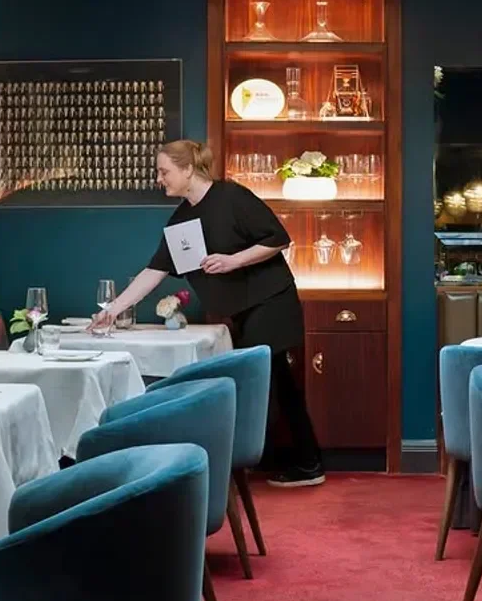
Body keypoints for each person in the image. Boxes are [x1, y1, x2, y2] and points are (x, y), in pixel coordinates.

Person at [92, 139, 325, 487]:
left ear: (188, 170)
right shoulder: (181, 220)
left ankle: (299, 464)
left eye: (164, 171)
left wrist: (233, 260)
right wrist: (112, 310)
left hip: (271, 302)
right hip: (242, 311)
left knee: (271, 382)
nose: (160, 178)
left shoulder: (231, 197)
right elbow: (153, 272)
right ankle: (296, 462)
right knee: (273, 384)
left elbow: (278, 237)